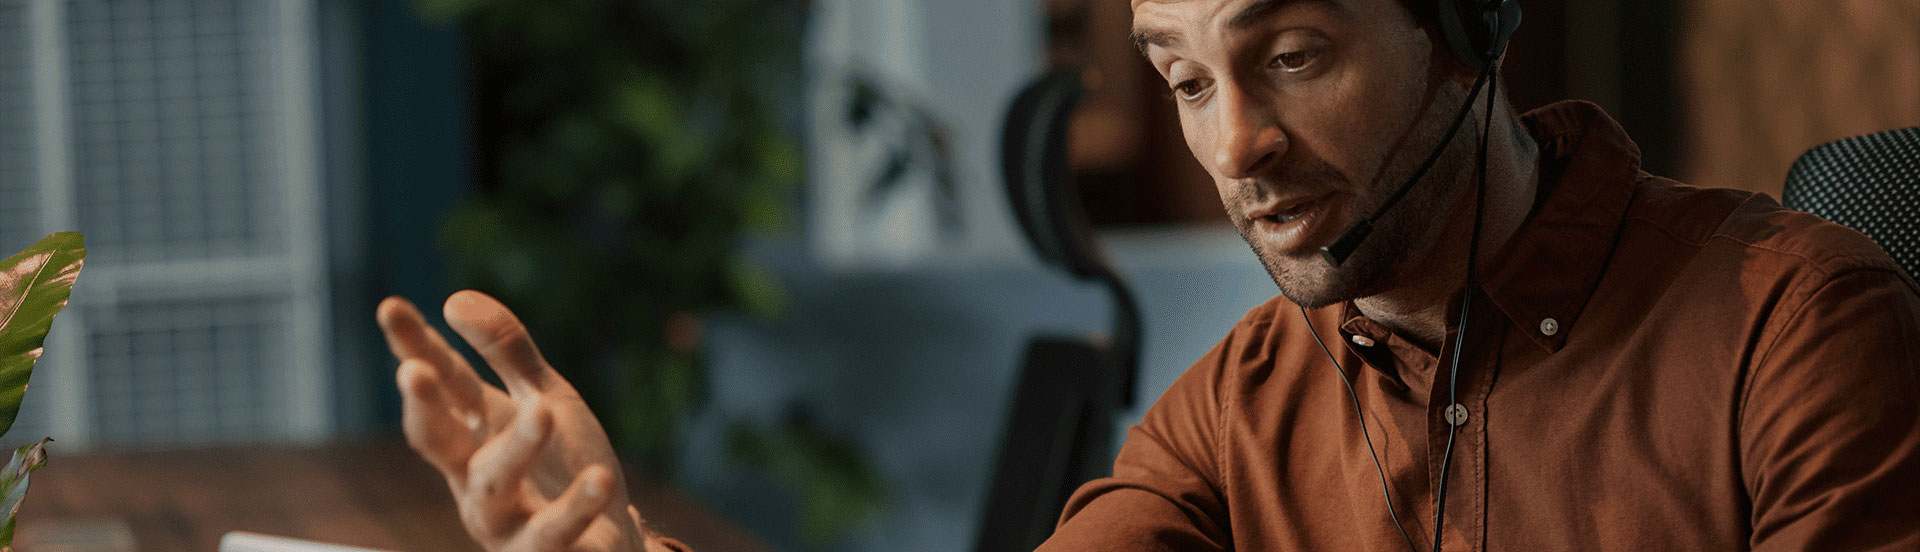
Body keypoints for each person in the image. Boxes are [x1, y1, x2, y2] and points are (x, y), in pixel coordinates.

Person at [376, 0, 1920, 549]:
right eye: (1183, 79)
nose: (1235, 144)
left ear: (1466, 30)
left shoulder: (1793, 324)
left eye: (1290, 55)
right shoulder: (1238, 406)